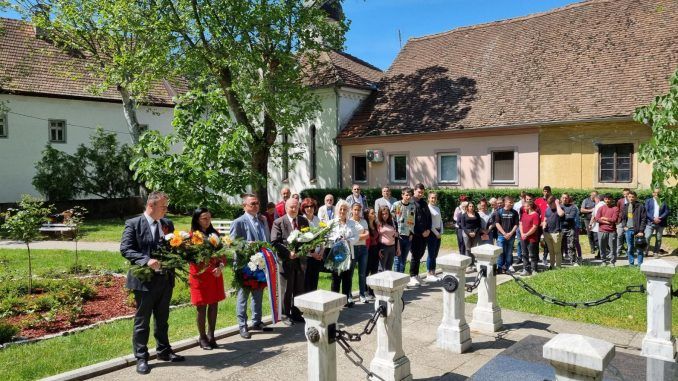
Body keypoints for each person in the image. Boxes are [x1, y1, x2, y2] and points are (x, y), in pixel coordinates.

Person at [120, 191, 184, 375]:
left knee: (163, 319)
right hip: (144, 282)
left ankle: (164, 351)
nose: (166, 210)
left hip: (165, 279)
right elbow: (125, 249)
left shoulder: (167, 224)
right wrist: (145, 260)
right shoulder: (133, 224)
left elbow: (172, 246)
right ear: (151, 206)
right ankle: (141, 357)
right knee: (142, 321)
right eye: (163, 207)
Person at [230, 194, 271, 339]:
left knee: (258, 294)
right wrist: (248, 245)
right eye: (252, 203)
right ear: (244, 206)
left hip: (260, 263)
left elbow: (266, 239)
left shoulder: (261, 220)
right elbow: (233, 243)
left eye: (257, 203)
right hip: (245, 265)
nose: (255, 206)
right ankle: (242, 325)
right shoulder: (238, 222)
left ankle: (257, 321)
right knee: (243, 296)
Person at [189, 208, 226, 348]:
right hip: (201, 276)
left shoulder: (214, 233)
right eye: (204, 218)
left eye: (209, 218)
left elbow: (222, 253)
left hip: (215, 274)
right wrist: (211, 268)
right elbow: (193, 259)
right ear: (197, 219)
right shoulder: (192, 236)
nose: (207, 221)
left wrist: (221, 266)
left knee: (214, 304)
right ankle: (202, 337)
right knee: (201, 307)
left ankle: (211, 335)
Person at [271, 198, 309, 325]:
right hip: (285, 262)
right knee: (286, 289)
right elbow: (275, 242)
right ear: (286, 208)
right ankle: (285, 315)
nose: (294, 209)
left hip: (300, 261)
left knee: (299, 288)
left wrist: (307, 248)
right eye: (291, 207)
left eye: (296, 207)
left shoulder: (303, 221)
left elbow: (308, 238)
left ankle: (297, 313)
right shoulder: (278, 222)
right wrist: (288, 253)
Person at [328, 200, 359, 307]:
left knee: (347, 278)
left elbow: (356, 236)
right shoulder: (332, 223)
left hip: (348, 254)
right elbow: (327, 237)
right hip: (336, 255)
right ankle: (334, 301)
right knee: (336, 278)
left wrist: (348, 241)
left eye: (344, 209)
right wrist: (337, 239)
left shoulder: (351, 223)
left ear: (348, 211)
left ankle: (346, 299)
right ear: (337, 210)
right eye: (340, 209)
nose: (342, 211)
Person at [408, 183, 432, 287]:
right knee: (415, 255)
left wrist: (428, 230)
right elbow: (413, 220)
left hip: (425, 234)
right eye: (419, 192)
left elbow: (428, 217)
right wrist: (422, 231)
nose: (420, 194)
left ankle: (417, 275)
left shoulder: (424, 203)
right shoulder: (411, 203)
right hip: (416, 233)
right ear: (414, 191)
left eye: (422, 192)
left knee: (421, 254)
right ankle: (412, 276)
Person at [301, 198, 324, 292]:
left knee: (314, 281)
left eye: (311, 206)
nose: (309, 208)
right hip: (307, 256)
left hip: (318, 256)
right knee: (306, 282)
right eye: (307, 207)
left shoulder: (317, 220)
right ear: (303, 208)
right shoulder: (301, 220)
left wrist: (322, 251)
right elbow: (302, 240)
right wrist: (312, 253)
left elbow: (322, 237)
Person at [391, 187, 416, 273]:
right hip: (399, 236)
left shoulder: (412, 206)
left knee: (404, 259)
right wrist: (395, 232)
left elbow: (412, 220)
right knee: (397, 258)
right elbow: (392, 220)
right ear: (402, 195)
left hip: (408, 236)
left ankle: (401, 280)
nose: (408, 197)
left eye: (410, 195)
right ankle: (396, 279)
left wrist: (411, 233)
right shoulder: (396, 205)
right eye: (406, 195)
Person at [350, 203, 370, 302]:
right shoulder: (349, 222)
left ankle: (362, 295)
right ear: (352, 210)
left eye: (358, 210)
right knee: (350, 273)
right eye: (355, 209)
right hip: (352, 249)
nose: (357, 212)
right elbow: (350, 237)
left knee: (362, 273)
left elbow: (367, 235)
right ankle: (348, 295)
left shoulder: (364, 221)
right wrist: (359, 236)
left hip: (363, 249)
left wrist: (356, 237)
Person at [621, 191, 647, 266]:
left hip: (638, 231)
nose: (631, 198)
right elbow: (623, 218)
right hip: (628, 230)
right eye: (629, 197)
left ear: (635, 197)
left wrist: (641, 230)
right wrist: (624, 226)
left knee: (639, 249)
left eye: (633, 197)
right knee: (630, 248)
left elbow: (644, 219)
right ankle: (631, 264)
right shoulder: (625, 206)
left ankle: (640, 264)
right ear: (627, 197)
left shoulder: (641, 206)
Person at [495, 196, 519, 273]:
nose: (512, 204)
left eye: (512, 202)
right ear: (505, 202)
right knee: (500, 252)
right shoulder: (499, 212)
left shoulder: (515, 212)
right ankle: (500, 268)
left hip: (511, 236)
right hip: (501, 236)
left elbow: (516, 224)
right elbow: (497, 223)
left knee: (509, 253)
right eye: (510, 202)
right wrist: (504, 233)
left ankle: (508, 266)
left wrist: (511, 233)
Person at [595, 194, 620, 266]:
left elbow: (614, 219)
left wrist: (604, 218)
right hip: (602, 230)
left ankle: (612, 262)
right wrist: (607, 222)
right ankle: (603, 261)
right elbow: (597, 219)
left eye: (609, 199)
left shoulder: (615, 208)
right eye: (606, 199)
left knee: (613, 247)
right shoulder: (601, 208)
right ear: (604, 200)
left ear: (612, 200)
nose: (607, 200)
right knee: (602, 247)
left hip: (612, 231)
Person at [542, 195, 565, 269]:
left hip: (556, 233)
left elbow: (561, 214)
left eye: (551, 204)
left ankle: (558, 267)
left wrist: (557, 204)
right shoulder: (547, 209)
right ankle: (551, 266)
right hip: (547, 233)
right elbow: (545, 218)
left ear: (555, 202)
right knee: (551, 251)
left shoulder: (560, 208)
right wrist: (544, 225)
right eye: (548, 204)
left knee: (557, 251)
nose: (549, 206)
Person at [644, 188, 669, 257]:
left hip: (660, 223)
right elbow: (646, 211)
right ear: (652, 193)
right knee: (647, 237)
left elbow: (667, 211)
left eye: (658, 193)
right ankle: (646, 251)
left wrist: (660, 217)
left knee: (658, 238)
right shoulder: (648, 201)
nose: (656, 194)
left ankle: (656, 252)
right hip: (650, 222)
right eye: (655, 192)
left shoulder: (663, 201)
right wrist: (653, 219)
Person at [519, 200, 541, 276]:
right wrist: (522, 233)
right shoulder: (524, 214)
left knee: (532, 254)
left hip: (532, 238)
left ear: (529, 206)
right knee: (524, 254)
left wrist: (527, 234)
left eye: (525, 206)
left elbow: (534, 227)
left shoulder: (535, 215)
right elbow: (521, 224)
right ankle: (526, 269)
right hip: (523, 238)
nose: (523, 207)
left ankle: (534, 269)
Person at [426, 192, 443, 282]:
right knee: (431, 253)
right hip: (432, 233)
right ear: (428, 199)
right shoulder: (428, 208)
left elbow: (440, 220)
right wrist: (436, 233)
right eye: (432, 198)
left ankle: (433, 272)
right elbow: (429, 223)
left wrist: (441, 231)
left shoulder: (437, 208)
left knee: (435, 254)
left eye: (435, 198)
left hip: (438, 232)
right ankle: (429, 273)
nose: (433, 199)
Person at [560, 193, 580, 265]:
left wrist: (562, 215)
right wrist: (566, 215)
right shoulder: (559, 207)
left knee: (572, 245)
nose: (565, 199)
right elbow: (557, 217)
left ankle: (574, 261)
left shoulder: (573, 207)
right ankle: (559, 260)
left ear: (568, 199)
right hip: (560, 228)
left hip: (571, 228)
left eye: (566, 198)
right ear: (561, 198)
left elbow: (571, 217)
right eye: (563, 198)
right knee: (560, 245)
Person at [377, 206, 399, 272]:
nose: (384, 215)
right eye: (382, 214)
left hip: (392, 247)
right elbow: (376, 237)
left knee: (389, 269)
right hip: (383, 248)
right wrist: (378, 249)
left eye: (386, 213)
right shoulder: (378, 223)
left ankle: (387, 282)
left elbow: (396, 236)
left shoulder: (393, 222)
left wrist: (398, 248)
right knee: (381, 269)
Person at [461, 201, 481, 269]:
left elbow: (479, 225)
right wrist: (468, 233)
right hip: (466, 233)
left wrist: (475, 232)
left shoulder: (477, 214)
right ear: (467, 207)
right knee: (468, 249)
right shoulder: (464, 215)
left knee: (474, 248)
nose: (471, 207)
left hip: (475, 232)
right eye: (470, 206)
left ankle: (473, 263)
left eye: (472, 206)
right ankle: (468, 264)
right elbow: (463, 226)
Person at [365, 207, 380, 299]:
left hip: (375, 249)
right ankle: (365, 290)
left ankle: (372, 291)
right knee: (366, 271)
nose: (374, 214)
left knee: (374, 271)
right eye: (372, 213)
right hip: (368, 250)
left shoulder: (375, 224)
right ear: (367, 215)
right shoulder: (365, 225)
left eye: (374, 213)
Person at [535, 186, 552, 267]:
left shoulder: (552, 200)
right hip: (538, 224)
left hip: (548, 225)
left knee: (546, 242)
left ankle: (544, 258)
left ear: (550, 192)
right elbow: (535, 212)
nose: (546, 193)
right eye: (544, 191)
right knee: (536, 241)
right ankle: (536, 257)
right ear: (543, 192)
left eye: (547, 191)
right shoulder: (538, 200)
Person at [580, 191, 599, 256]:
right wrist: (591, 210)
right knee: (589, 234)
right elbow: (582, 210)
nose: (594, 196)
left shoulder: (598, 201)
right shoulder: (585, 201)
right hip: (587, 220)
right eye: (593, 195)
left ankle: (597, 247)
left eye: (595, 195)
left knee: (596, 234)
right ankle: (592, 248)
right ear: (590, 195)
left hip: (596, 220)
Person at [588, 194, 605, 259]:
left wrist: (590, 224)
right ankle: (600, 254)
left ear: (597, 199)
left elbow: (594, 216)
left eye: (595, 199)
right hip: (604, 225)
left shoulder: (598, 205)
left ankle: (603, 253)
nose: (594, 201)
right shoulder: (605, 204)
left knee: (597, 240)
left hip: (597, 226)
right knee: (602, 240)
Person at [615, 188, 631, 258]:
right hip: (621, 221)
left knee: (629, 236)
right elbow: (617, 210)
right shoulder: (620, 201)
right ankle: (618, 251)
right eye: (624, 194)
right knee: (619, 236)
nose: (625, 196)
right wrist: (617, 220)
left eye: (627, 194)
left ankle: (629, 252)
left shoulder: (632, 200)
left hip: (629, 221)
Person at [513, 191, 527, 264]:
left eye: (524, 196)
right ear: (520, 197)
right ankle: (519, 257)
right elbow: (515, 215)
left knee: (527, 242)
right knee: (519, 242)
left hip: (527, 225)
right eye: (522, 196)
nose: (523, 198)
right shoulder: (516, 205)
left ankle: (526, 257)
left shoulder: (528, 204)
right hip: (519, 225)